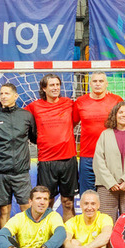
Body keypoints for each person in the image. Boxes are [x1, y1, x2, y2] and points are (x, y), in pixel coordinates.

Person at [0, 82, 36, 226]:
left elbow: (34, 138)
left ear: (15, 96)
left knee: (26, 209)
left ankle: (27, 242)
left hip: (21, 173)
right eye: (1, 93)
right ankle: (4, 245)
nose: (3, 96)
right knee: (4, 211)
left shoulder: (26, 116)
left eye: (7, 93)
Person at [26, 74, 80, 220]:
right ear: (44, 88)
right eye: (51, 85)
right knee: (46, 202)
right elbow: (19, 119)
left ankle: (67, 238)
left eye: (57, 84)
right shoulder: (34, 107)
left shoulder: (68, 103)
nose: (55, 88)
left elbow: (79, 119)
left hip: (68, 160)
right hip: (46, 161)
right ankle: (45, 237)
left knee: (68, 202)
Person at [93, 101, 125, 219]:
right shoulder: (105, 135)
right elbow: (98, 160)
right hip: (107, 186)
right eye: (120, 112)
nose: (123, 115)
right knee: (107, 221)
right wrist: (110, 182)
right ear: (115, 115)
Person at [74, 71, 122, 194]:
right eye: (95, 81)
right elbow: (71, 124)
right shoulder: (80, 102)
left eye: (101, 81)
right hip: (87, 156)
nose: (98, 84)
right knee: (87, 195)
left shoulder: (116, 100)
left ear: (107, 84)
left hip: (109, 156)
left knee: (108, 196)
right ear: (90, 83)